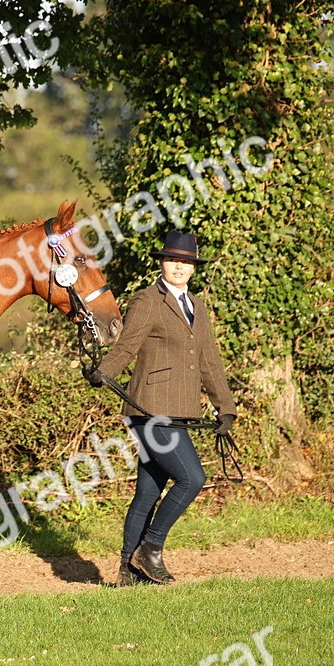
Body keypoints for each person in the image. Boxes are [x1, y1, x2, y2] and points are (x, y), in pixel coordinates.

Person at [84, 230, 237, 586]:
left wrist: (224, 407)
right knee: (192, 479)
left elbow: (209, 360)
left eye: (185, 262)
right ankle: (149, 549)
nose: (178, 267)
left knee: (149, 491)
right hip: (150, 410)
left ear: (193, 267)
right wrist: (102, 372)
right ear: (162, 263)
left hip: (179, 410)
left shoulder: (197, 306)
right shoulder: (147, 300)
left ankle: (127, 572)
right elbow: (127, 346)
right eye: (172, 260)